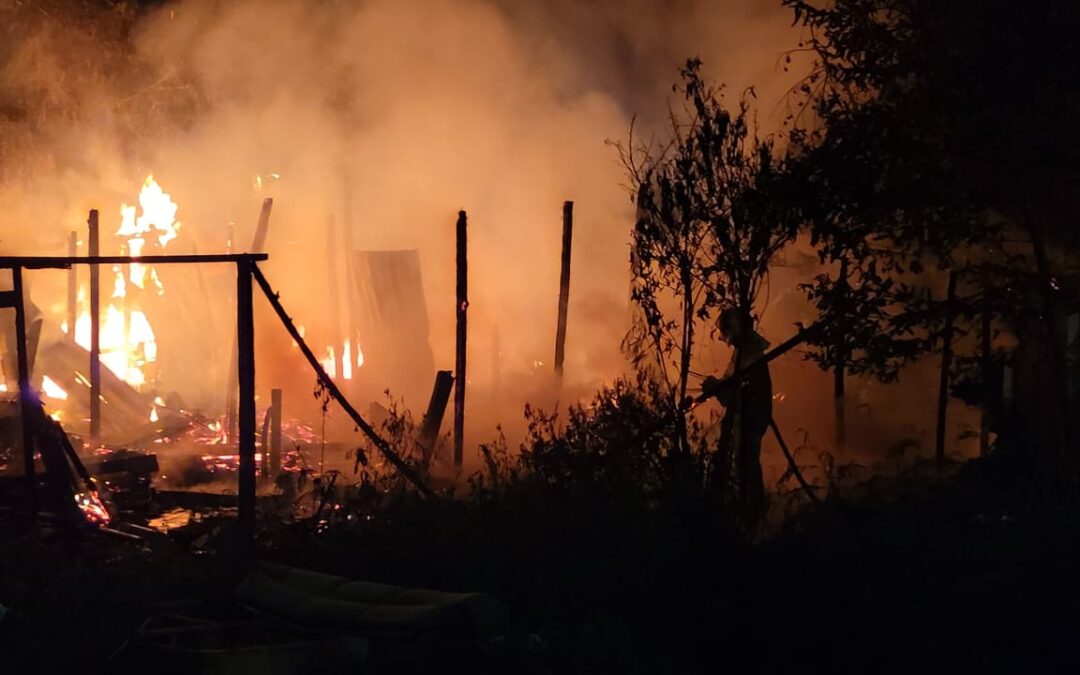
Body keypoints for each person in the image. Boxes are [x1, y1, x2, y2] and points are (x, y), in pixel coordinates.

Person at [700, 308, 772, 532]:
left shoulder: (749, 352)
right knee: (745, 462)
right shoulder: (745, 351)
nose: (726, 340)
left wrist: (715, 387)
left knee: (747, 463)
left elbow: (733, 392)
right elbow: (730, 385)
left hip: (751, 416)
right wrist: (715, 386)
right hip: (748, 416)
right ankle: (751, 515)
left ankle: (753, 518)